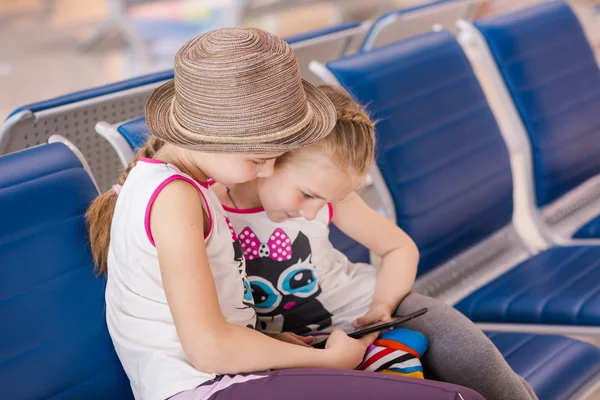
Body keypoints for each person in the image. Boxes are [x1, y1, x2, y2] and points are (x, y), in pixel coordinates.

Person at [86, 28, 483, 400]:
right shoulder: (175, 197)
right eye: (259, 159)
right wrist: (326, 361)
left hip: (229, 378)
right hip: (208, 387)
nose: (266, 171)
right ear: (217, 137)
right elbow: (208, 348)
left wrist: (276, 345)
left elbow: (215, 329)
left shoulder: (178, 188)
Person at [214, 85, 538, 400]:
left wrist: (382, 306)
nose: (314, 213)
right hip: (295, 346)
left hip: (364, 311)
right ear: (271, 157)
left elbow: (399, 248)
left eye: (323, 201)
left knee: (482, 368)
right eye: (308, 195)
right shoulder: (207, 209)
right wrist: (269, 340)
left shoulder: (324, 190)